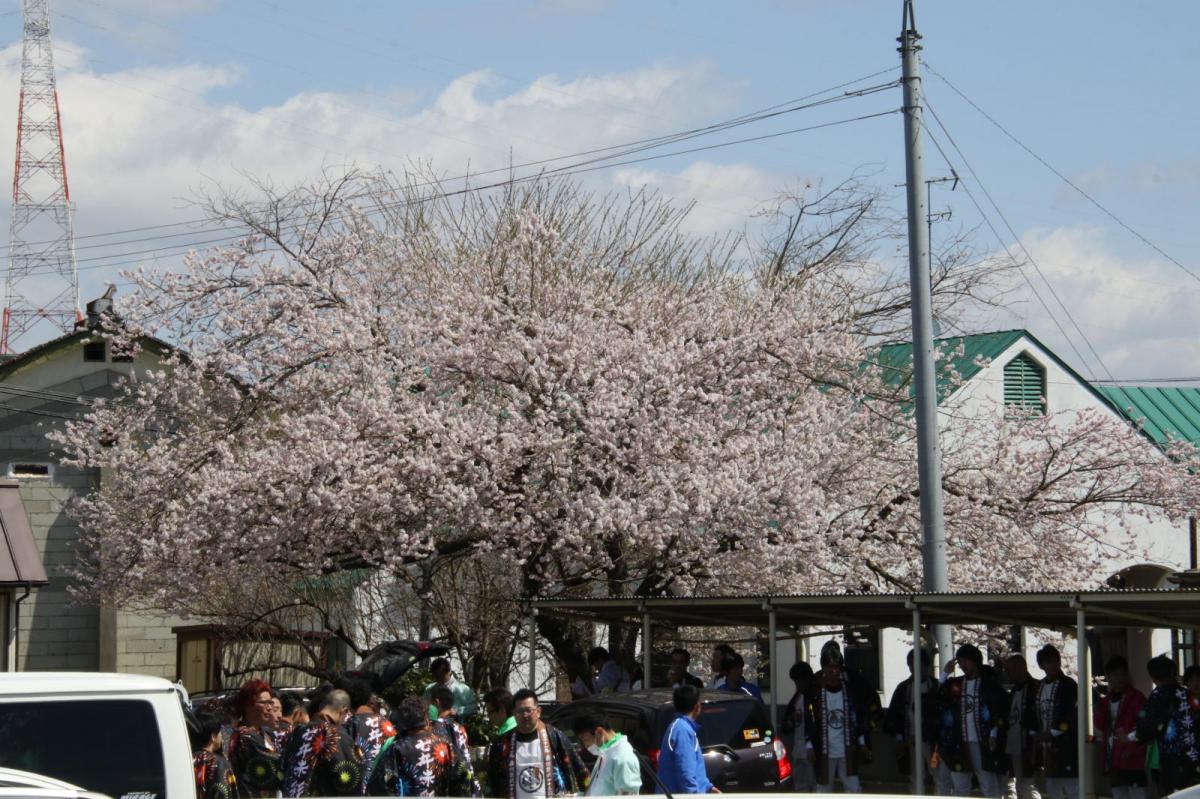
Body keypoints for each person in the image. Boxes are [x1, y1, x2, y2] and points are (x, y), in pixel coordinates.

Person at [487, 689, 588, 799]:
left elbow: (580, 772)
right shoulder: (502, 744)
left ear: (538, 711)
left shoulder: (555, 737)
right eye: (520, 711)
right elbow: (493, 782)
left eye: (528, 710)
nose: (525, 715)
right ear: (514, 714)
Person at [936, 644, 1007, 798]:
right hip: (958, 743)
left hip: (984, 742)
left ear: (975, 660)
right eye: (960, 662)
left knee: (989, 785)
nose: (962, 665)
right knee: (960, 787)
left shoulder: (989, 685)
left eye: (966, 661)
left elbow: (999, 711)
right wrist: (944, 674)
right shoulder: (955, 684)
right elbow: (936, 698)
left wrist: (994, 733)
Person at [372, 696, 473, 797]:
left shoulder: (396, 748)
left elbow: (379, 784)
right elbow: (463, 776)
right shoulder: (445, 745)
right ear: (426, 718)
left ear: (403, 721)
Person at [805, 641, 870, 793]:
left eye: (837, 667)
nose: (834, 671)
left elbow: (856, 718)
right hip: (824, 748)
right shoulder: (815, 692)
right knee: (823, 789)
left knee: (854, 788)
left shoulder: (849, 690)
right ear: (823, 668)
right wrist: (808, 745)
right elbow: (809, 720)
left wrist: (861, 742)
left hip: (847, 747)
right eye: (830, 667)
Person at [1134, 654, 1200, 794]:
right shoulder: (1188, 695)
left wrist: (1131, 736)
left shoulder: (1158, 695)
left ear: (1153, 676)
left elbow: (1148, 725)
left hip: (1172, 758)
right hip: (1194, 755)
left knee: (1175, 793)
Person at [281, 689, 362, 798]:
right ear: (345, 711)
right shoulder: (336, 735)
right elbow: (349, 777)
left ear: (320, 707)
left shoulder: (297, 732)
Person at [883, 649, 937, 795]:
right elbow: (895, 715)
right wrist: (900, 738)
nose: (914, 668)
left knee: (938, 773)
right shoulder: (903, 688)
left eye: (918, 664)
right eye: (911, 665)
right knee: (914, 776)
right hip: (910, 740)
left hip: (932, 741)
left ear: (926, 666)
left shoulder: (936, 687)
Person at [1093, 656, 1147, 799]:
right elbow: (1099, 725)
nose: (1120, 678)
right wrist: (1101, 709)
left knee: (1137, 793)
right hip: (1112, 756)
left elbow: (1143, 726)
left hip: (1132, 755)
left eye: (1123, 674)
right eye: (1116, 674)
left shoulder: (1137, 698)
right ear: (1109, 677)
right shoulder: (1106, 701)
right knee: (1118, 793)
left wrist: (1133, 748)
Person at [338, 675, 397, 795]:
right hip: (382, 787)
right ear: (367, 699)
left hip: (359, 787)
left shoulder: (350, 724)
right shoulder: (387, 723)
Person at [1033, 645, 1078, 799]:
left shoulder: (1068, 685)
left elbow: (1070, 714)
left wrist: (1052, 732)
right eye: (1048, 662)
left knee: (1073, 789)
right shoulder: (1039, 687)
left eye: (1056, 661)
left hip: (1067, 746)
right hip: (1047, 748)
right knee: (1053, 789)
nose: (1053, 665)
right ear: (1041, 665)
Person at [228, 678, 285, 798]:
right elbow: (276, 765)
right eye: (264, 703)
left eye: (270, 702)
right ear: (248, 705)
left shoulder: (266, 733)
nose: (269, 707)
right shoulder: (244, 737)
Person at [658, 684, 718, 794]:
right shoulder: (683, 730)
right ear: (697, 706)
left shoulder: (680, 727)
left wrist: (708, 787)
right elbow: (686, 774)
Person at [573, 710, 642, 796]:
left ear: (599, 731)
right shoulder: (606, 753)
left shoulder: (622, 757)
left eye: (583, 739)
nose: (584, 745)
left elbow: (628, 796)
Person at [430, 685, 482, 797]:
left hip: (449, 783)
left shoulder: (435, 727)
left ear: (437, 702)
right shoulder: (459, 726)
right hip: (467, 779)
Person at [1002, 654, 1042, 799]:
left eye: (1010, 670)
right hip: (1014, 742)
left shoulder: (1036, 688)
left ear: (1021, 668)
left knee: (1028, 785)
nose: (1008, 674)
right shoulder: (1013, 691)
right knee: (1019, 784)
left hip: (1028, 743)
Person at [784, 662, 817, 792]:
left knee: (815, 786)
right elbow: (785, 725)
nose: (798, 685)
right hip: (798, 751)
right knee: (800, 786)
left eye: (799, 681)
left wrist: (812, 746)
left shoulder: (815, 697)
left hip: (811, 751)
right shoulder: (797, 697)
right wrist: (791, 719)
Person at [193, 712, 238, 799]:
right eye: (220, 733)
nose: (221, 736)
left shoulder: (187, 759)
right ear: (213, 736)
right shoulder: (219, 763)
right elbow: (225, 793)